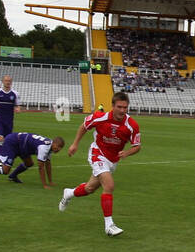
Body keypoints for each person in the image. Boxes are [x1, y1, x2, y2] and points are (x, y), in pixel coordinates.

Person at [58, 92, 141, 237]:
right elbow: (84, 126)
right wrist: (75, 144)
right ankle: (109, 225)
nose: (122, 110)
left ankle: (69, 193)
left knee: (90, 188)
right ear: (112, 106)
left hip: (113, 160)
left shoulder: (132, 125)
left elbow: (137, 146)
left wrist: (127, 153)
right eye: (119, 107)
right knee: (109, 186)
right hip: (98, 153)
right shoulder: (100, 117)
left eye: (125, 107)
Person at [0, 132, 65, 186]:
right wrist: (45, 185)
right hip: (13, 143)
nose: (59, 149)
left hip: (22, 145)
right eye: (58, 147)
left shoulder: (49, 146)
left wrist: (50, 182)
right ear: (54, 143)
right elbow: (41, 167)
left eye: (61, 148)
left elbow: (48, 164)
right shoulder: (44, 147)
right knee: (5, 170)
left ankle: (13, 176)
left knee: (29, 163)